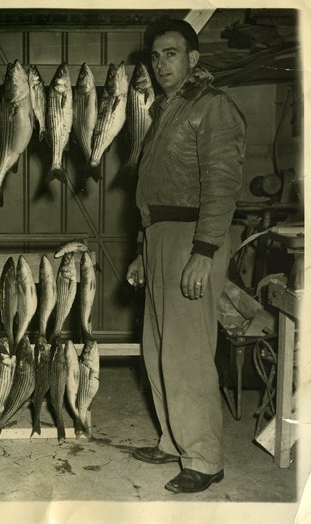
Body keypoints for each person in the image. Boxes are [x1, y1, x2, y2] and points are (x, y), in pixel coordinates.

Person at [126, 19, 246, 493]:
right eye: (155, 57)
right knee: (156, 347)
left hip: (194, 236)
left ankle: (204, 458)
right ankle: (174, 441)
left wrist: (204, 251)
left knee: (188, 352)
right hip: (161, 237)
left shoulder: (212, 106)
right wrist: (142, 249)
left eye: (171, 54)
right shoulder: (166, 110)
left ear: (193, 59)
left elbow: (221, 183)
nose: (161, 65)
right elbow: (153, 189)